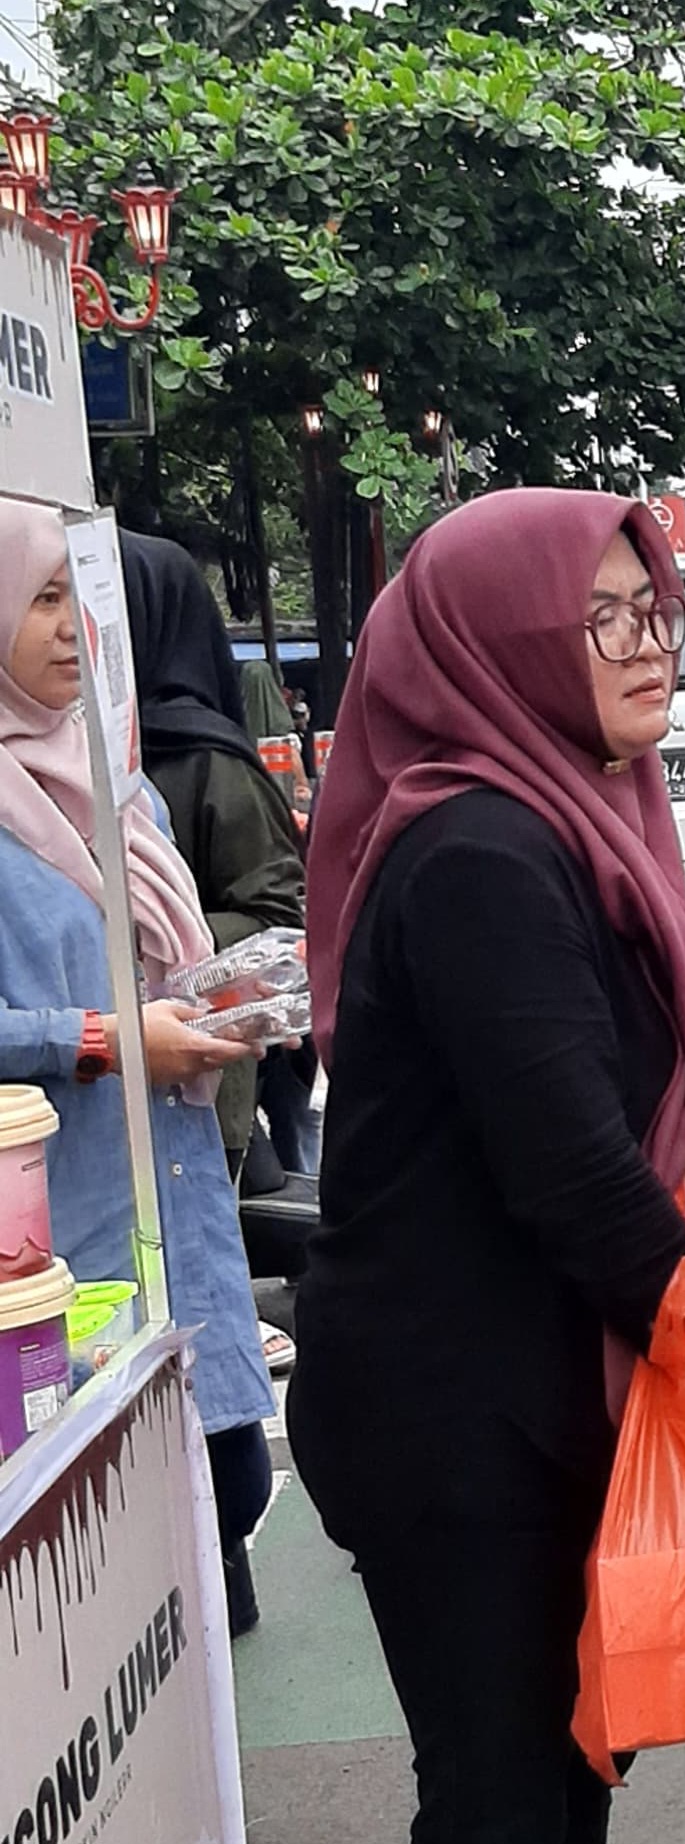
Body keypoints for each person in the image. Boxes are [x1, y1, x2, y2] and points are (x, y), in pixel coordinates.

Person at [292, 490, 685, 1844]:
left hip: (533, 1387)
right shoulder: (479, 853)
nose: (642, 642)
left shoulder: (580, 815)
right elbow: (576, 1183)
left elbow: (607, 1097)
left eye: (648, 608)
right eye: (593, 618)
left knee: (566, 1775)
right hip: (456, 1421)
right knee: (505, 1801)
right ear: (495, 646)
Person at [0, 503, 274, 1632]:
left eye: (81, 597)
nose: (72, 628)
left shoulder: (122, 782)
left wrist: (221, 1002)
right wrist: (105, 1036)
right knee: (88, 1562)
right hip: (54, 1238)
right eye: (41, 598)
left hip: (177, 1203)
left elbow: (163, 962)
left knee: (227, 1490)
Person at [121, 531, 306, 1175]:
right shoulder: (60, 750)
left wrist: (147, 951)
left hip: (195, 1076)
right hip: (102, 1069)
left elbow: (279, 911)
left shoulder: (205, 761)